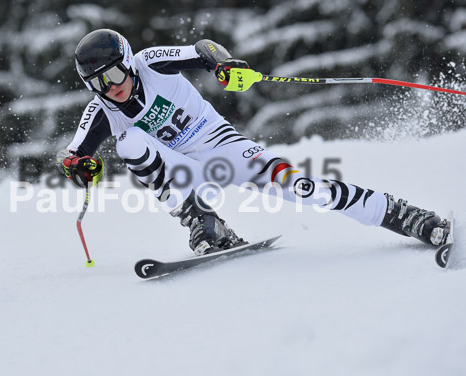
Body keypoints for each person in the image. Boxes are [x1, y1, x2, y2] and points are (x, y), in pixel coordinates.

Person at [56, 28, 450, 256]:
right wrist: (79, 166)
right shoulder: (102, 110)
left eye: (112, 76)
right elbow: (73, 156)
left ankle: (402, 215)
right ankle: (203, 223)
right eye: (96, 83)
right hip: (181, 169)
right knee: (129, 142)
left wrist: (223, 65)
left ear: (127, 62)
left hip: (219, 146)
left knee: (301, 187)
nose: (109, 89)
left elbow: (202, 50)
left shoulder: (151, 61)